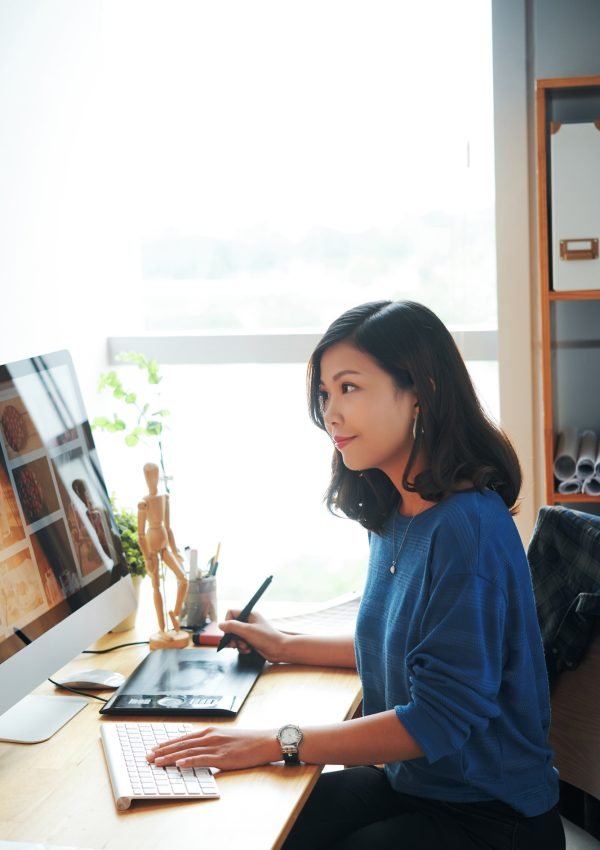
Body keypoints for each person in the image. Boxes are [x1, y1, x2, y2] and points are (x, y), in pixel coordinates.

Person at [148, 301, 565, 850]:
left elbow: (437, 719)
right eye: (325, 393)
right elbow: (408, 647)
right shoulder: (396, 511)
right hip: (417, 784)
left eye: (349, 388)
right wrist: (285, 645)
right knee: (257, 823)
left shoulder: (468, 530)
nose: (331, 414)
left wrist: (278, 740)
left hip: (491, 815)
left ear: (421, 389)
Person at [137, 461, 189, 646]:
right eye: (148, 476)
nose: (151, 480)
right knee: (156, 587)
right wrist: (145, 557)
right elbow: (140, 534)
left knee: (183, 579)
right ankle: (161, 627)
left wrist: (175, 550)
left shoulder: (164, 498)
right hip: (151, 546)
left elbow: (169, 527)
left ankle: (174, 613)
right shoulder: (143, 503)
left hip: (165, 544)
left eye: (154, 475)